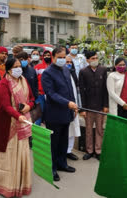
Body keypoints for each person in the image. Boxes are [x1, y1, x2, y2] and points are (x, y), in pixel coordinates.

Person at [0, 58, 35, 198]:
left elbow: (32, 98)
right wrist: (18, 116)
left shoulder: (23, 80)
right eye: (15, 67)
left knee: (22, 154)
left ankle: (21, 184)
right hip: (6, 123)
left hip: (22, 121)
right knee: (7, 156)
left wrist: (29, 106)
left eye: (19, 66)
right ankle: (6, 186)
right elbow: (5, 105)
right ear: (9, 69)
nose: (18, 69)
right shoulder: (3, 83)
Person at [41, 47, 77, 182]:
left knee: (63, 141)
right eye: (60, 57)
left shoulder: (66, 69)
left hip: (67, 112)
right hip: (54, 114)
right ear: (53, 57)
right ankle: (52, 168)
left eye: (64, 57)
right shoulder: (47, 73)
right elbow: (51, 94)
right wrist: (67, 103)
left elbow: (70, 90)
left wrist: (73, 104)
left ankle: (62, 164)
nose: (62, 60)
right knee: (54, 143)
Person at [79, 51, 108, 160]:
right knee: (89, 130)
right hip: (88, 107)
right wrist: (83, 109)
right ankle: (89, 150)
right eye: (92, 58)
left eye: (96, 58)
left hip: (100, 106)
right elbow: (81, 91)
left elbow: (106, 89)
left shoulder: (103, 70)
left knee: (100, 129)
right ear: (87, 60)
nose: (95, 60)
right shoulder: (83, 72)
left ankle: (98, 150)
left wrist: (106, 105)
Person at [65, 56, 80, 161]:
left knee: (72, 129)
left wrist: (77, 105)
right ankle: (62, 151)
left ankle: (69, 151)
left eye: (70, 62)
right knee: (64, 131)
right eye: (67, 62)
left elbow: (77, 92)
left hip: (74, 106)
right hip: (63, 106)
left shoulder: (73, 74)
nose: (69, 64)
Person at [34, 50, 52, 125]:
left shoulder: (54, 67)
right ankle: (35, 135)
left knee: (50, 116)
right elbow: (34, 80)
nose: (47, 57)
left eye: (48, 55)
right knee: (38, 116)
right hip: (40, 94)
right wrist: (36, 90)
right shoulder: (37, 67)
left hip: (51, 95)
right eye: (45, 56)